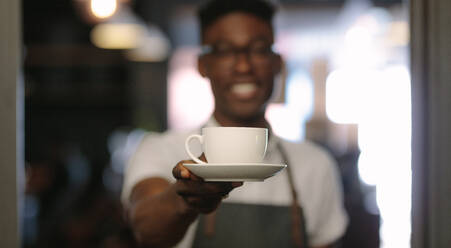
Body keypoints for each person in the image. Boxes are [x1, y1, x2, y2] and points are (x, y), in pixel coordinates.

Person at [121, 0, 348, 247]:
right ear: (202, 65)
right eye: (226, 51)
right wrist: (185, 198)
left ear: (277, 63)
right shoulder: (160, 150)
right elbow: (146, 229)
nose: (243, 66)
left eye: (259, 49)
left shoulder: (315, 166)